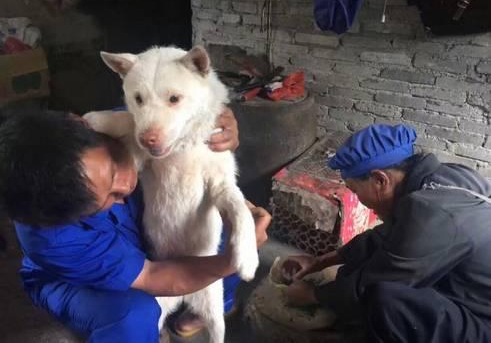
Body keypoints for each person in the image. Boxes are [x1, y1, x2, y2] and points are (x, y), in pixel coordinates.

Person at [0, 109, 271, 343]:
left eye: (116, 168)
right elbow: (153, 276)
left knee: (226, 230)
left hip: (147, 234)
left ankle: (206, 308)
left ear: (83, 124)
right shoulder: (54, 239)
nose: (127, 186)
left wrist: (224, 131)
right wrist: (233, 260)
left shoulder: (132, 120)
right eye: (110, 198)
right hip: (79, 273)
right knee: (133, 315)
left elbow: (201, 111)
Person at [283, 124, 491, 342]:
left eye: (355, 190)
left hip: (482, 318)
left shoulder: (431, 212)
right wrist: (319, 262)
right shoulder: (440, 177)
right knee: (351, 272)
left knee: (384, 298)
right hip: (468, 286)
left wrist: (311, 295)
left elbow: (371, 283)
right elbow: (388, 236)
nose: (359, 200)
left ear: (380, 180)